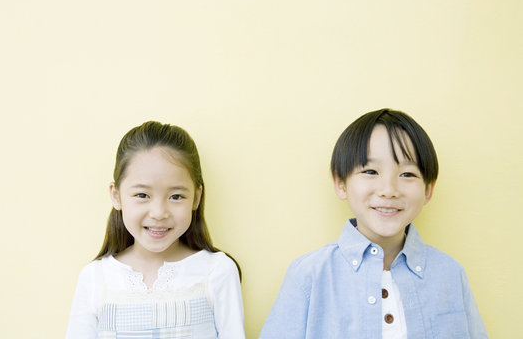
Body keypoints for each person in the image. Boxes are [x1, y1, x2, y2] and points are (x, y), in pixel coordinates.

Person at [260, 109, 487, 338]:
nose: (389, 190)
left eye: (407, 174)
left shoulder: (450, 274)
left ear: (428, 189)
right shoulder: (309, 275)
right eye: (370, 171)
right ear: (341, 183)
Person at [66, 121, 245, 339]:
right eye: (142, 195)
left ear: (196, 197)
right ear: (116, 195)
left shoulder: (216, 272)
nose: (159, 212)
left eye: (176, 196)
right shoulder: (95, 278)